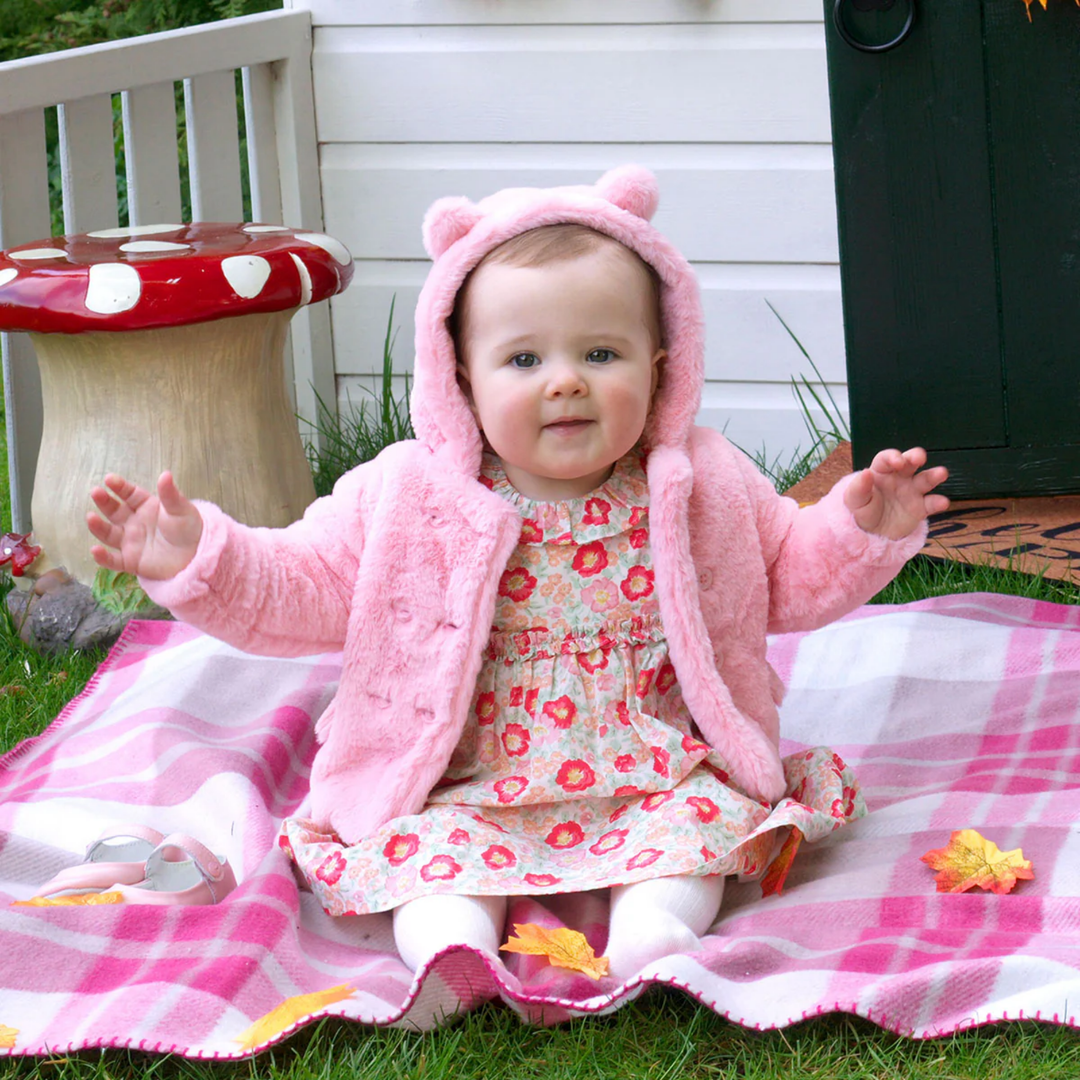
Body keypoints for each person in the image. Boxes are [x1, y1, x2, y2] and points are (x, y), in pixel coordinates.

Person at [85, 166, 949, 980]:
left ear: (661, 367)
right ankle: (450, 953)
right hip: (462, 779)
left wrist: (858, 528)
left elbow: (787, 581)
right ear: (460, 374)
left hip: (655, 770)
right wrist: (200, 555)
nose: (565, 383)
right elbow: (298, 586)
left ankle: (657, 927)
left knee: (702, 828)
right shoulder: (409, 496)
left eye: (601, 355)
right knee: (426, 856)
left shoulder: (705, 483)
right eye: (525, 360)